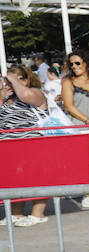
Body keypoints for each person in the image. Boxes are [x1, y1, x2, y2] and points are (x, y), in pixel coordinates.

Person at [0, 64, 52, 227]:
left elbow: (25, 95)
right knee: (16, 181)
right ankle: (16, 213)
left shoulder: (36, 94)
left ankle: (38, 214)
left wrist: (14, 79)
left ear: (28, 80)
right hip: (10, 147)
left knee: (38, 179)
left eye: (20, 78)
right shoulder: (8, 98)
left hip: (33, 145)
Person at [61, 48, 89, 125]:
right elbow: (69, 106)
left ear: (87, 63)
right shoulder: (68, 82)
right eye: (71, 64)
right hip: (79, 127)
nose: (74, 66)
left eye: (77, 63)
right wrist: (88, 121)